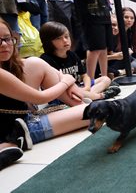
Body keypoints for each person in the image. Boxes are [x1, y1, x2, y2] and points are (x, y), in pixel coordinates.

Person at [0, 18, 88, 170]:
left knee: (34, 63)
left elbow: (45, 70)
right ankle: (14, 141)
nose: (4, 44)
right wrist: (66, 81)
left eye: (8, 38)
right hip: (16, 128)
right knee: (92, 112)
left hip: (20, 119)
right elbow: (41, 97)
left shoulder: (14, 63)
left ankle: (90, 98)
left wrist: (66, 81)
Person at [39, 21, 120, 101]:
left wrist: (87, 87)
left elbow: (84, 75)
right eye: (58, 38)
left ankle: (86, 96)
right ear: (48, 41)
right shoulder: (46, 59)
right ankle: (100, 96)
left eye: (66, 36)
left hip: (79, 88)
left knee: (105, 79)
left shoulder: (72, 55)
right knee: (74, 92)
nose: (65, 40)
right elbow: (55, 87)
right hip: (63, 93)